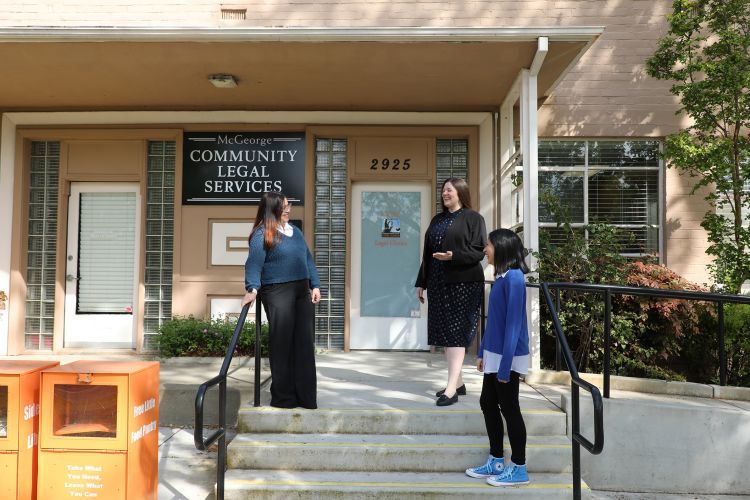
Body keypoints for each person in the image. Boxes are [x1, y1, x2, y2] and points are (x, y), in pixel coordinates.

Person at [241, 192, 321, 409]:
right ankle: (284, 398)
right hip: (276, 291)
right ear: (272, 209)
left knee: (304, 343)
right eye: (283, 206)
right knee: (282, 343)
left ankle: (306, 397)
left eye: (289, 205)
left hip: (301, 290)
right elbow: (253, 264)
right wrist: (252, 288)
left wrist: (315, 284)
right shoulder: (261, 234)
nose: (288, 209)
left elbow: (307, 258)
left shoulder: (295, 231)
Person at [465, 228, 530, 486]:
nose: (485, 250)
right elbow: (494, 323)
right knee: (487, 403)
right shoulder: (501, 277)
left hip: (509, 356)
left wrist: (504, 367)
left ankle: (519, 467)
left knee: (510, 408)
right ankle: (496, 459)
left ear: (501, 247)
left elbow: (514, 325)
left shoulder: (515, 278)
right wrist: (482, 352)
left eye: (488, 245)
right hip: (495, 352)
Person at [415, 178, 486, 406]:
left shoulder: (474, 218)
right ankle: (459, 383)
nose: (445, 193)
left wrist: (453, 256)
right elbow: (427, 254)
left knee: (455, 334)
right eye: (443, 189)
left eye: (449, 190)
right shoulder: (438, 220)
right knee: (447, 334)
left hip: (464, 284)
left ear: (460, 193)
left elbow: (478, 252)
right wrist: (421, 282)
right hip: (438, 284)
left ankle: (451, 390)